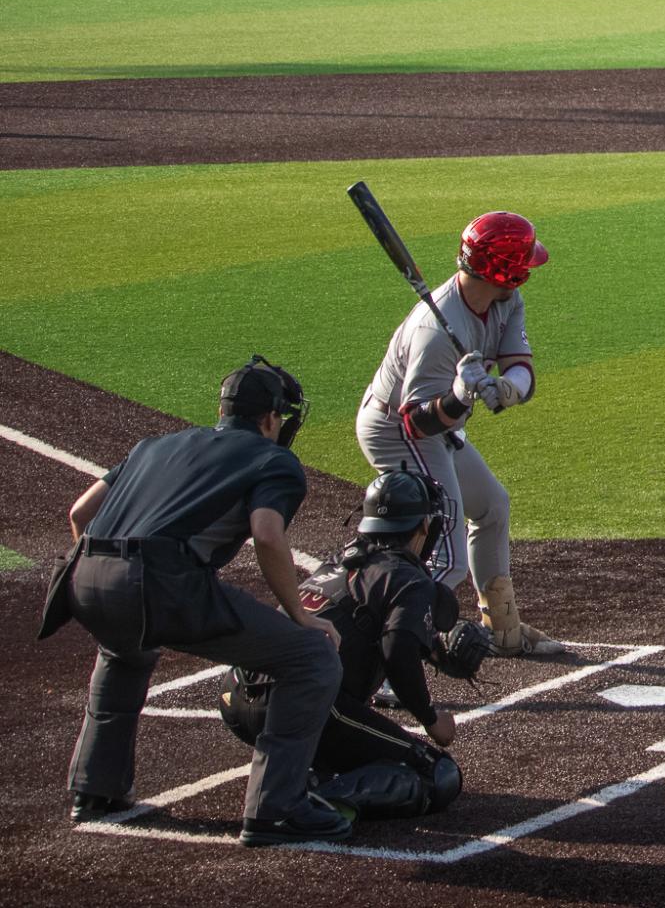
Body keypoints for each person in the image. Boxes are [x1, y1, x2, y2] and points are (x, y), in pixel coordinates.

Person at [38, 357, 352, 847]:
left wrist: (111, 583)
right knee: (311, 658)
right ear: (270, 418)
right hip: (159, 583)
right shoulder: (274, 460)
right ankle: (277, 809)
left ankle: (95, 790)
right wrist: (300, 617)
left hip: (83, 575)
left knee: (124, 651)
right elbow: (267, 536)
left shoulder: (154, 445)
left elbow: (81, 512)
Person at [354, 210, 565, 656]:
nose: (529, 270)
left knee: (491, 506)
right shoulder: (435, 331)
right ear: (504, 269)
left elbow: (520, 367)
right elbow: (416, 421)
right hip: (396, 429)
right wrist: (458, 395)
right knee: (445, 555)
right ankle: (382, 652)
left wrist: (507, 390)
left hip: (437, 429)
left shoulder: (505, 299)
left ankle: (501, 627)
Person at [218, 470, 470, 821]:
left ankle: (308, 774)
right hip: (303, 701)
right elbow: (396, 651)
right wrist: (430, 719)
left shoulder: (339, 561)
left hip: (237, 695)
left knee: (348, 737)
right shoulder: (408, 578)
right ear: (423, 527)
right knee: (438, 774)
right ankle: (309, 800)